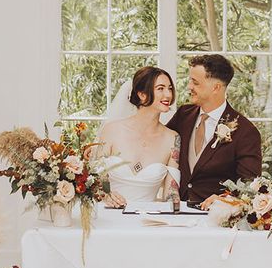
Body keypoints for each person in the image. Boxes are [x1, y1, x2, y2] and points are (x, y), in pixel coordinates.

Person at [166, 54, 262, 207]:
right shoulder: (183, 115)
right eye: (190, 80)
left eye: (195, 82)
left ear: (216, 87)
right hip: (177, 213)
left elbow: (249, 187)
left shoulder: (246, 132)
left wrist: (225, 200)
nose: (189, 86)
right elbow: (159, 144)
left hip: (215, 219)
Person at [98, 66, 181, 208]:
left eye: (170, 89)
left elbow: (171, 193)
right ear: (142, 94)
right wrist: (106, 195)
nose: (168, 95)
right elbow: (95, 182)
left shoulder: (173, 139)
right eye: (160, 89)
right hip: (108, 215)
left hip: (148, 220)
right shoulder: (112, 130)